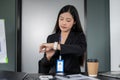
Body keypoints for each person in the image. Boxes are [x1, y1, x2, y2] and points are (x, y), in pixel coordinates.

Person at [39, 5, 87, 74]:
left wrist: (56, 45)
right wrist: (48, 57)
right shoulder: (51, 38)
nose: (63, 23)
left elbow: (80, 49)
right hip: (54, 77)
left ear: (74, 22)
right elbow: (43, 70)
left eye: (68, 20)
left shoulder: (79, 36)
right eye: (61, 19)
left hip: (73, 77)